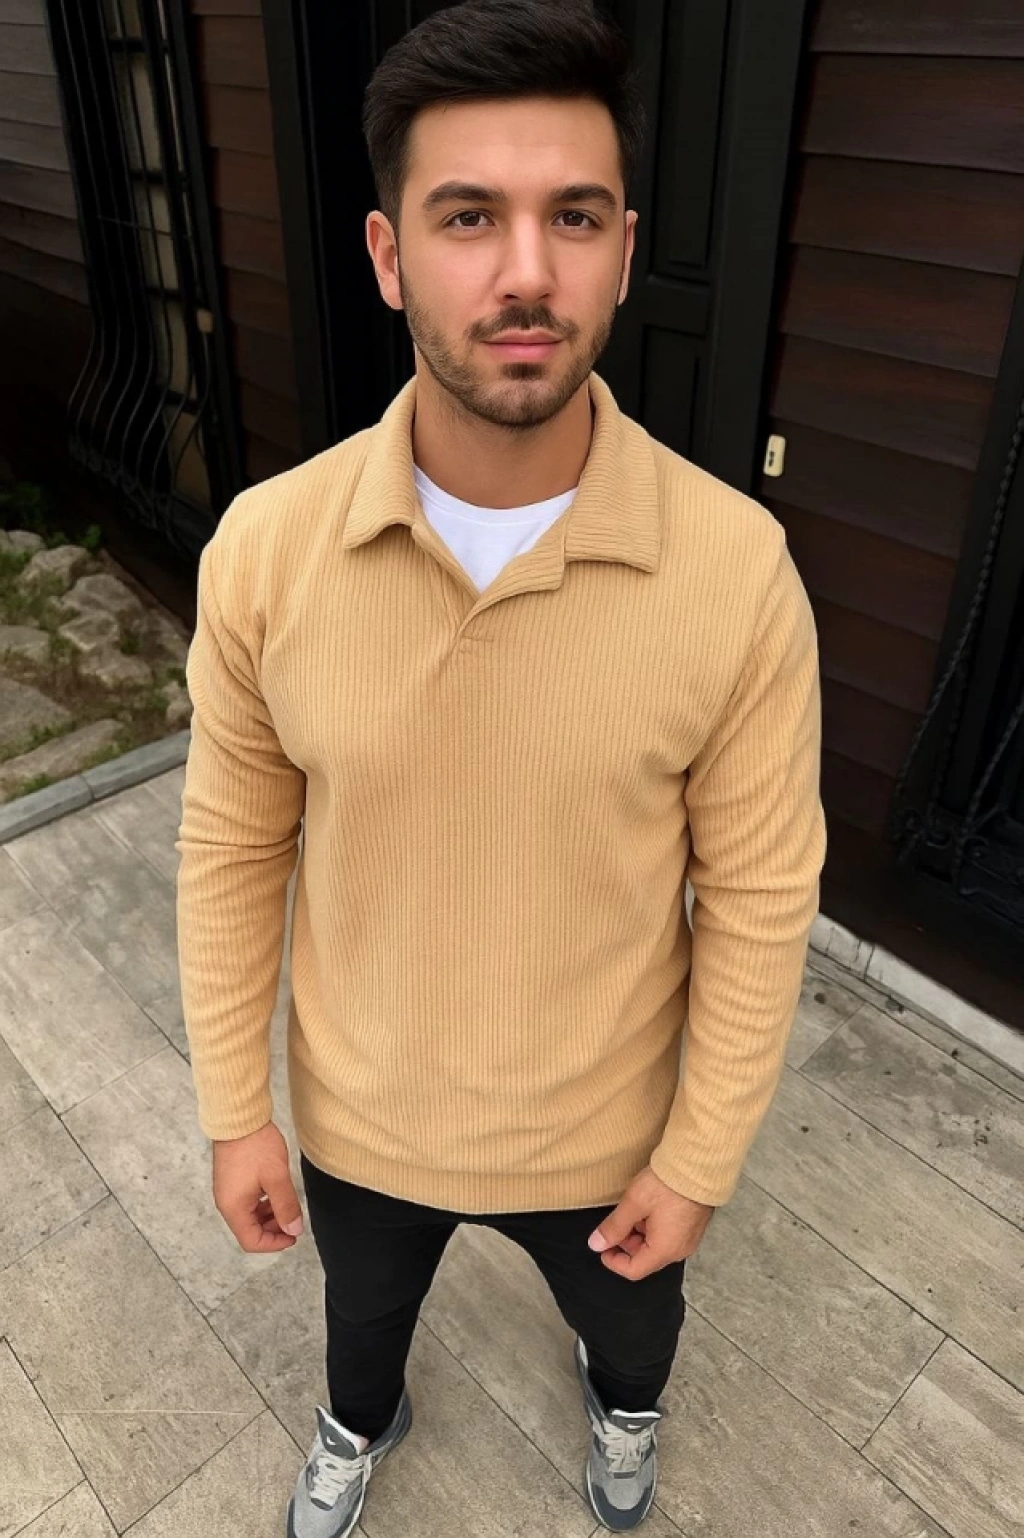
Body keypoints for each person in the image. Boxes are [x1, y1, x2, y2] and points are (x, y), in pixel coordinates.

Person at [175, 2, 828, 1534]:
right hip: (360, 1110)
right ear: (390, 254)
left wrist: (701, 1153)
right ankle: (358, 1421)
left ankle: (624, 1407)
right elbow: (232, 842)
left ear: (623, 251)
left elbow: (760, 893)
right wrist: (234, 1104)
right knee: (360, 1324)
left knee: (634, 1333)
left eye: (573, 217)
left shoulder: (735, 572)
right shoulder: (267, 550)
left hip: (606, 1121)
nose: (526, 270)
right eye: (469, 216)